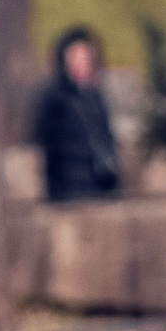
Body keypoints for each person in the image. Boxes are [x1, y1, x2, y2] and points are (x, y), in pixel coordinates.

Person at [33, 26, 122, 204]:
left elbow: (105, 138)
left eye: (86, 57)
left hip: (100, 184)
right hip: (70, 188)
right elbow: (45, 143)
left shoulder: (95, 96)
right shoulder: (53, 98)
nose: (83, 63)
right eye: (77, 57)